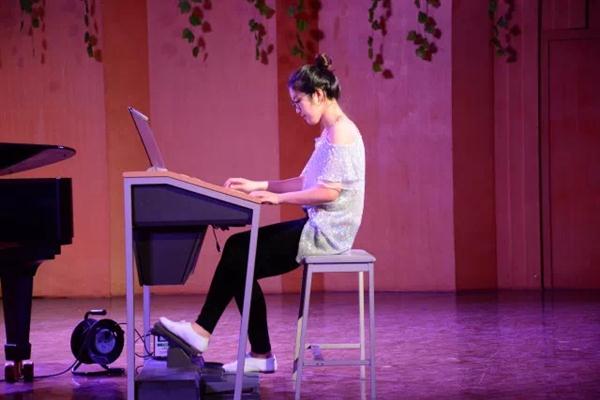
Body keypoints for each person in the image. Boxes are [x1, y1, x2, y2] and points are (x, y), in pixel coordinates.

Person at [159, 53, 365, 373]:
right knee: (239, 253)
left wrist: (277, 199)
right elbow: (306, 182)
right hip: (317, 224)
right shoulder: (330, 133)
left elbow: (329, 192)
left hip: (327, 233)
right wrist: (258, 184)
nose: (297, 110)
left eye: (298, 102)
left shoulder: (341, 131)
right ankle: (252, 352)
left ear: (318, 95)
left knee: (239, 253)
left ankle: (214, 337)